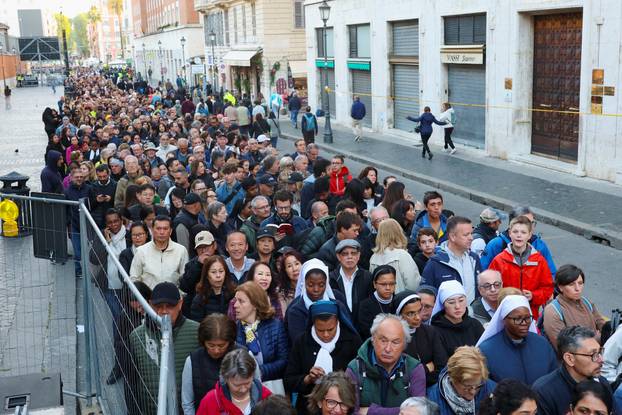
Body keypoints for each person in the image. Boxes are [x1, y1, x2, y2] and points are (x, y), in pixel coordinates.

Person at [129, 282, 200, 415]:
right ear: (149, 304)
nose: (164, 311)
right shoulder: (136, 337)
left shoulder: (197, 332)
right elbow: (131, 384)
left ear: (180, 304)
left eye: (170, 306)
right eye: (158, 306)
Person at [283, 300, 362, 414]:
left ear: (338, 322)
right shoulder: (302, 342)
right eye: (320, 330)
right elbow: (289, 380)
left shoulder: (351, 340)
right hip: (308, 409)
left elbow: (360, 377)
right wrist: (308, 379)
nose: (326, 335)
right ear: (313, 324)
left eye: (330, 329)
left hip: (341, 410)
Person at [346, 313, 427, 414]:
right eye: (383, 340)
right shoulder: (355, 368)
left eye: (395, 342)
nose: (388, 349)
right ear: (373, 339)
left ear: (404, 344)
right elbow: (350, 412)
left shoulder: (414, 368)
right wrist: (401, 411)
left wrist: (370, 411)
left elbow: (418, 412)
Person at [476, 295, 558, 385]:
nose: (524, 323)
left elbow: (554, 378)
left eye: (527, 318)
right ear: (504, 320)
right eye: (517, 319)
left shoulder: (542, 344)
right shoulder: (487, 350)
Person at [532, 326, 612, 415]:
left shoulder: (602, 383)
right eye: (593, 355)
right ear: (569, 359)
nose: (601, 360)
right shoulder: (544, 392)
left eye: (600, 352)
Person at [488, 215, 554, 320]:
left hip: (530, 315)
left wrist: (533, 296)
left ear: (529, 235)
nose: (519, 235)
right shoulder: (499, 260)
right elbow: (490, 288)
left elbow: (548, 288)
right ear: (510, 233)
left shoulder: (539, 261)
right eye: (515, 232)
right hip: (505, 315)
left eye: (523, 232)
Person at [181, 314, 241, 414]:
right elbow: (187, 403)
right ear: (203, 341)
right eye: (211, 345)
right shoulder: (192, 361)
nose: (216, 350)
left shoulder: (244, 356)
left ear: (230, 342)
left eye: (221, 345)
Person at [233, 281, 288, 386]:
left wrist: (259, 371)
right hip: (242, 387)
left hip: (271, 386)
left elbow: (284, 360)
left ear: (255, 304)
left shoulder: (275, 326)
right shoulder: (234, 330)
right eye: (236, 300)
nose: (235, 305)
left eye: (241, 301)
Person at [284, 258, 351, 344]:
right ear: (304, 284)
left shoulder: (337, 301)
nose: (316, 289)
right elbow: (299, 343)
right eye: (311, 285)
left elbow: (348, 334)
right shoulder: (295, 310)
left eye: (321, 285)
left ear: (326, 283)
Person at [481, 206, 557, 277]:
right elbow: (484, 274)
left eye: (532, 222)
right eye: (526, 222)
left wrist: (536, 291)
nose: (530, 226)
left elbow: (551, 275)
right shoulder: (496, 245)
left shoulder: (539, 245)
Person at [541, 264, 605, 349]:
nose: (577, 288)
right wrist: (597, 339)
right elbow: (563, 347)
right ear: (560, 287)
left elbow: (602, 325)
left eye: (580, 283)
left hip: (594, 355)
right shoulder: (553, 311)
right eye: (571, 284)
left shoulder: (586, 302)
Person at [422, 216, 482, 304]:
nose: (471, 238)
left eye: (471, 233)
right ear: (452, 237)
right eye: (466, 234)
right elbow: (425, 294)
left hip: (472, 315)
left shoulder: (474, 258)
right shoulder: (435, 262)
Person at [393, 290, 448, 386]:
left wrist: (419, 376)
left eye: (419, 311)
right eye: (411, 313)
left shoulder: (430, 332)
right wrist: (427, 368)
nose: (418, 317)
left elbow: (442, 367)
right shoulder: (393, 337)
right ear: (399, 315)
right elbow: (400, 375)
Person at [196, 348, 271, 415]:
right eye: (237, 385)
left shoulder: (266, 397)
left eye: (247, 383)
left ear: (253, 376)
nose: (243, 389)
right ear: (225, 378)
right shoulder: (210, 401)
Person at [426, 346, 496, 415]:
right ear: (452, 379)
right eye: (467, 387)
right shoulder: (431, 403)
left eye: (478, 386)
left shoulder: (491, 389)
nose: (473, 392)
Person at [130, 215, 189, 289]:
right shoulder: (141, 251)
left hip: (173, 298)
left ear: (170, 231)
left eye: (165, 229)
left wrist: (180, 295)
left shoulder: (181, 250)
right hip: (148, 298)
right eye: (158, 228)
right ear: (152, 230)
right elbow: (134, 278)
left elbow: (184, 277)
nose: (162, 232)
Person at [430, 280, 484, 357]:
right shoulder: (435, 331)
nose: (457, 306)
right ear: (443, 304)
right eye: (451, 302)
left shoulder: (475, 325)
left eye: (461, 300)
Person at [329, 239, 373, 331]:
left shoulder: (367, 277)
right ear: (338, 256)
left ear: (358, 255)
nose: (350, 257)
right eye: (345, 254)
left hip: (363, 330)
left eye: (353, 253)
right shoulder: (331, 278)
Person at [370, 218, 421, 293]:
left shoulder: (373, 258)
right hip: (403, 301)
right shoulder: (402, 255)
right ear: (398, 232)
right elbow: (413, 284)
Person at [190, 256, 236, 322]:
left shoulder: (234, 294)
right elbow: (198, 326)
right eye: (213, 272)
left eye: (221, 271)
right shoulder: (199, 299)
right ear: (207, 275)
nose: (218, 275)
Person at [357, 265, 398, 339]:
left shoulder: (398, 301)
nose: (388, 288)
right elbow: (367, 332)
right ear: (374, 284)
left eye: (392, 284)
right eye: (383, 284)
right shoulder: (365, 306)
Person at [64, 166, 91, 277]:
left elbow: (93, 205)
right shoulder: (67, 192)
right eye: (76, 177)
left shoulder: (89, 189)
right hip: (74, 225)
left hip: (88, 224)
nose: (79, 179)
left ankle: (90, 269)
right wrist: (67, 223)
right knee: (77, 250)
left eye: (81, 177)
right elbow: (64, 209)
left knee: (89, 249)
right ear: (71, 178)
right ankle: (78, 270)